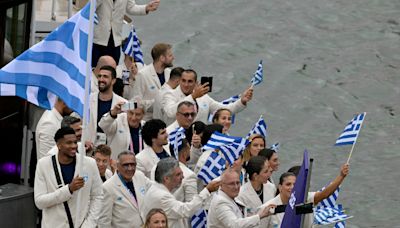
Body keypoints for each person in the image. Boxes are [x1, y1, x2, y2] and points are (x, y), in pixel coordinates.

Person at [34, 127, 103, 228]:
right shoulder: (43, 164)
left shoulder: (89, 163)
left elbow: (97, 196)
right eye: (69, 143)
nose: (74, 146)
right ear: (59, 145)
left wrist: (89, 225)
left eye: (75, 142)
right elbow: (40, 202)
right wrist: (69, 189)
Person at [263, 163, 350, 228]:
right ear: (280, 187)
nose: (292, 187)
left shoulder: (306, 198)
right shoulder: (268, 208)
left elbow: (325, 194)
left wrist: (341, 176)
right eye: (288, 184)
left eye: (296, 184)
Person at [141, 157, 220, 228]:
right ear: (166, 178)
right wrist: (207, 190)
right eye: (178, 175)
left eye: (182, 173)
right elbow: (186, 210)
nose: (182, 177)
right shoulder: (162, 196)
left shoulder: (156, 188)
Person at [162, 69, 253, 123]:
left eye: (190, 81)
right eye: (183, 81)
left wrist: (242, 101)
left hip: (199, 141)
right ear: (179, 81)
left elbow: (224, 110)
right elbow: (170, 112)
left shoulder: (203, 97)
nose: (186, 84)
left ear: (196, 83)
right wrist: (193, 97)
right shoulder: (170, 94)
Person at [92, 0, 160, 66]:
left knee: (112, 69)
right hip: (98, 39)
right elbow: (91, 7)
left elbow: (131, 7)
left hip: (115, 40)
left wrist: (146, 8)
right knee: (94, 69)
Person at [98, 151, 153, 228]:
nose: (130, 168)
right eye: (126, 165)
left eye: (133, 164)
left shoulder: (139, 176)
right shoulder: (108, 187)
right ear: (118, 166)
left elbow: (155, 189)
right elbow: (104, 221)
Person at [207, 168, 275, 228]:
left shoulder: (230, 197)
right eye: (231, 184)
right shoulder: (220, 202)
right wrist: (259, 216)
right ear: (221, 185)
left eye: (238, 183)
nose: (236, 187)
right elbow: (234, 225)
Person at [133, 43, 174, 120]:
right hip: (148, 120)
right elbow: (136, 102)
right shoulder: (142, 74)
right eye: (170, 56)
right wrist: (157, 103)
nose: (173, 58)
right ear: (162, 58)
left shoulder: (170, 73)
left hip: (166, 120)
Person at [88, 65, 127, 146]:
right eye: (99, 76)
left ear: (113, 81)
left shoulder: (123, 103)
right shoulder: (87, 100)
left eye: (105, 77)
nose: (101, 79)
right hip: (90, 147)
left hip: (111, 148)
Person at [236, 156, 276, 227]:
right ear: (255, 176)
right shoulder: (241, 195)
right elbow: (240, 223)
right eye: (266, 171)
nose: (270, 171)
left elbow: (272, 217)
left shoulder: (271, 188)